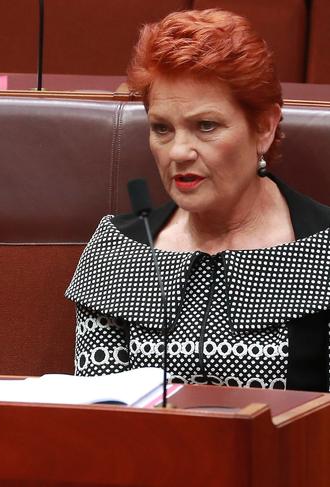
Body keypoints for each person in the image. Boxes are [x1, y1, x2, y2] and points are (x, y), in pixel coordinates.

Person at [66, 9, 330, 392]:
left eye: (205, 126)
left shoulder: (324, 248)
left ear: (264, 128)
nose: (178, 152)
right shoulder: (119, 251)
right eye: (162, 129)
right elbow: (99, 421)